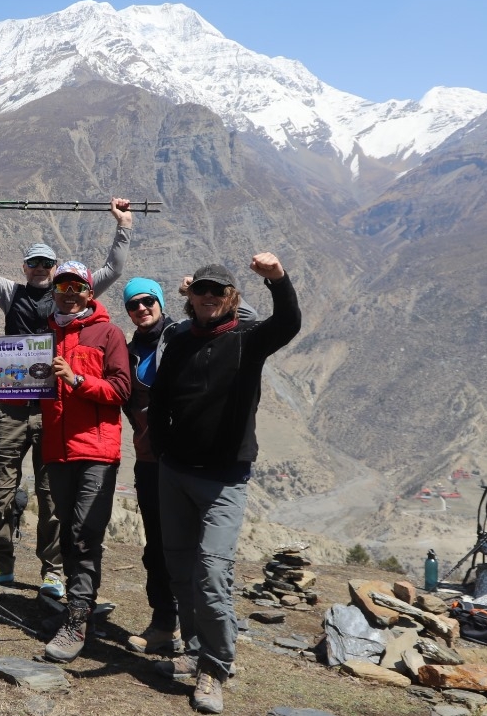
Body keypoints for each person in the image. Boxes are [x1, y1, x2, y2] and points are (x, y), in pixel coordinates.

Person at [148, 256, 301, 714]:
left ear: (231, 296)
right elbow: (159, 400)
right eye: (202, 290)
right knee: (180, 571)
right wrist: (160, 447)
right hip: (175, 473)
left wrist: (276, 278)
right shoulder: (177, 341)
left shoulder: (248, 341)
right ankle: (196, 653)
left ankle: (215, 668)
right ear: (190, 296)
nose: (209, 297)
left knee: (212, 573)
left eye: (219, 291)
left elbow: (289, 322)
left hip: (224, 479)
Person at [0, 195, 134, 598]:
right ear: (26, 267)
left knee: (50, 495)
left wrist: (123, 226)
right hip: (14, 407)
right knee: (0, 487)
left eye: (46, 263)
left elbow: (113, 269)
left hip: (56, 411)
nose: (40, 269)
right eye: (33, 263)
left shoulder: (73, 297)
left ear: (58, 271)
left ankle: (52, 571)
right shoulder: (11, 293)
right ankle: (1, 563)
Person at [122, 278, 259, 654]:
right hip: (156, 462)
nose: (142, 308)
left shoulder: (185, 332)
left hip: (201, 464)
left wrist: (201, 294)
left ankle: (208, 647)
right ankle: (165, 623)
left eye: (149, 300)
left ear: (163, 302)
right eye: (133, 304)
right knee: (162, 549)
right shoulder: (130, 349)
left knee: (208, 562)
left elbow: (246, 320)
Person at [36, 262, 131, 662]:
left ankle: (76, 619)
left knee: (84, 533)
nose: (69, 292)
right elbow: (21, 385)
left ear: (90, 293)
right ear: (54, 291)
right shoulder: (44, 334)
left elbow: (121, 389)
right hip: (56, 451)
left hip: (95, 450)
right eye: (62, 286)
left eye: (77, 286)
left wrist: (76, 379)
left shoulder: (108, 333)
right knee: (67, 533)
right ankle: (78, 606)